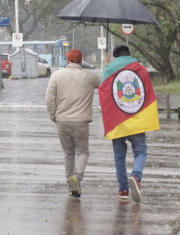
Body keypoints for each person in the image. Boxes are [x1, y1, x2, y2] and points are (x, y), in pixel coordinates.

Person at [99, 44, 159, 203]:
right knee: (140, 151)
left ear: (115, 56)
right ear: (129, 54)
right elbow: (147, 93)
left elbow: (104, 94)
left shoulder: (109, 70)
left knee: (119, 156)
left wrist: (106, 66)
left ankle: (123, 189)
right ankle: (136, 176)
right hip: (137, 119)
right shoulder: (140, 69)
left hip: (117, 122)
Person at [45, 49, 101, 198]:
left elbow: (49, 99)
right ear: (81, 61)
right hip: (81, 122)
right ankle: (77, 176)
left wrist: (53, 116)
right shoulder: (90, 77)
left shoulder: (56, 76)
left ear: (67, 60)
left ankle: (72, 187)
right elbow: (104, 84)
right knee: (83, 152)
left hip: (62, 121)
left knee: (68, 153)